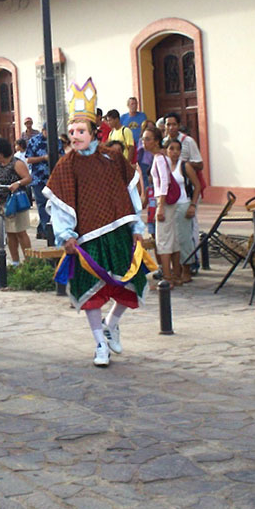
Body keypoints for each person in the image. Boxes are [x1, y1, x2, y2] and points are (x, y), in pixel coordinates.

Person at [46, 78, 152, 367]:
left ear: (95, 132)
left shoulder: (113, 158)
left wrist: (137, 227)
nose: (75, 135)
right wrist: (65, 234)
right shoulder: (66, 165)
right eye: (71, 132)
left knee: (131, 282)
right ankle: (99, 344)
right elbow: (59, 202)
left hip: (118, 232)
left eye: (81, 130)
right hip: (87, 238)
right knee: (91, 292)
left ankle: (112, 323)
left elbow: (130, 191)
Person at [152, 137, 200, 284]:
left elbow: (197, 186)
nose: (175, 152)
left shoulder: (184, 166)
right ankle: (176, 272)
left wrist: (193, 205)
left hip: (183, 204)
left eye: (177, 149)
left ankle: (186, 270)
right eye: (171, 149)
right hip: (170, 205)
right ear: (166, 150)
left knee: (184, 239)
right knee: (174, 239)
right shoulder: (164, 164)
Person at [0, 136, 32, 269]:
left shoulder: (16, 163)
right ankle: (15, 261)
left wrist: (17, 183)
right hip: (3, 203)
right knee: (9, 232)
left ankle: (29, 261)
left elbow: (28, 178)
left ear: (1, 153)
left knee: (20, 231)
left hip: (16, 202)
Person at [24, 125, 52, 240]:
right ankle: (46, 230)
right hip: (38, 178)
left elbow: (62, 156)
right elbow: (28, 159)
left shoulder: (56, 141)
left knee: (52, 204)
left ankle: (42, 229)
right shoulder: (34, 141)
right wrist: (43, 158)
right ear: (43, 130)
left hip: (53, 178)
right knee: (42, 204)